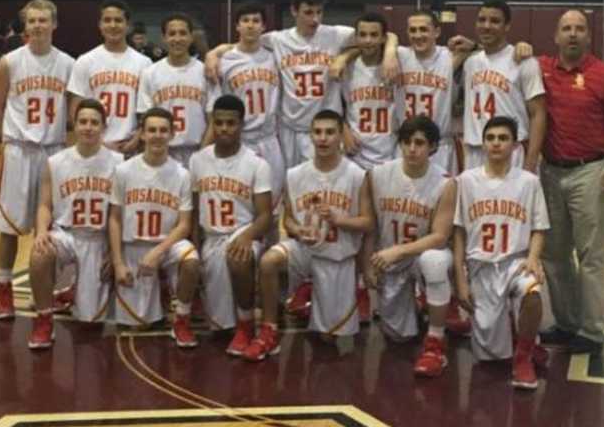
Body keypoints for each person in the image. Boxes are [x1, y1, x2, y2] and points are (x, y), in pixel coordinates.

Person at [207, 0, 399, 168]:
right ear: (294, 11)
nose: (315, 19)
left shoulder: (335, 34)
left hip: (324, 126)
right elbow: (244, 44)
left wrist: (383, 53)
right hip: (288, 129)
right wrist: (214, 53)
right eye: (308, 12)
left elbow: (382, 36)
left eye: (319, 12)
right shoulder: (278, 39)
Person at [243, 110, 372, 361]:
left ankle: (318, 303)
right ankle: (269, 330)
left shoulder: (357, 175)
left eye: (330, 132)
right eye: (318, 132)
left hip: (337, 254)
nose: (323, 138)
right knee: (269, 262)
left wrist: (339, 220)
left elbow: (368, 222)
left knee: (327, 342)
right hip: (305, 249)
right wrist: (297, 229)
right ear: (311, 136)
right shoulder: (295, 174)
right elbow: (288, 218)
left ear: (340, 137)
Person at [538, 9, 604, 354]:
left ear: (588, 36)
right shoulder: (540, 70)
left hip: (591, 171)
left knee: (590, 256)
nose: (572, 34)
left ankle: (591, 329)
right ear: (556, 37)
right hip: (551, 171)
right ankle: (566, 322)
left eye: (579, 29)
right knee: (554, 254)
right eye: (566, 28)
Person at [0, 0, 75, 319]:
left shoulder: (68, 64)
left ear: (54, 25)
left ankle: (48, 290)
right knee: (9, 226)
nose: (38, 26)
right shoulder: (9, 62)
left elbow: (76, 108)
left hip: (53, 152)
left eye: (43, 20)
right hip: (19, 151)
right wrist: (6, 139)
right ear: (25, 26)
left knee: (53, 228)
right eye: (32, 21)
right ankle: (4, 288)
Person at [453, 116, 550, 390]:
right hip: (480, 266)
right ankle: (518, 333)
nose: (496, 143)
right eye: (491, 138)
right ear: (483, 143)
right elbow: (458, 232)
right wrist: (460, 279)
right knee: (490, 358)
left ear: (515, 145)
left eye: (503, 138)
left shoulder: (529, 181)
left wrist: (533, 258)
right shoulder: (466, 181)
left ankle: (524, 356)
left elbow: (540, 228)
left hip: (515, 262)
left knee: (532, 291)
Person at [27, 99, 122, 349]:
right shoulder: (55, 162)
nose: (88, 127)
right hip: (66, 234)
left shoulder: (120, 163)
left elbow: (120, 215)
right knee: (40, 254)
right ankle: (44, 319)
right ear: (74, 125)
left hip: (99, 239)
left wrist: (115, 252)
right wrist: (40, 232)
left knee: (90, 323)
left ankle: (74, 291)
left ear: (104, 126)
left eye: (94, 122)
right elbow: (45, 205)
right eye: (83, 122)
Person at [365, 115, 456, 377]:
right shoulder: (378, 175)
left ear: (433, 147)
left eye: (419, 143)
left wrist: (399, 250)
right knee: (398, 337)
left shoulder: (445, 182)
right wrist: (366, 266)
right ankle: (417, 306)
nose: (412, 149)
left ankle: (435, 343)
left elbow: (440, 236)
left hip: (418, 257)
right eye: (406, 142)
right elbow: (370, 226)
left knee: (434, 262)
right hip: (389, 262)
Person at [109, 107, 200, 346]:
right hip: (133, 248)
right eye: (151, 130)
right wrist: (117, 263)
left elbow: (184, 225)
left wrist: (158, 251)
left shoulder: (182, 174)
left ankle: (181, 318)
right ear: (141, 134)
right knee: (138, 325)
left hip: (166, 246)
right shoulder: (123, 171)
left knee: (191, 260)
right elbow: (115, 219)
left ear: (172, 134)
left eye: (163, 130)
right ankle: (160, 287)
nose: (157, 135)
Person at [189, 95, 273, 355]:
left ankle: (246, 325)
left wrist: (247, 237)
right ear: (212, 123)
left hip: (244, 234)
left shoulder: (257, 164)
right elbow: (193, 211)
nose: (224, 128)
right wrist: (194, 246)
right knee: (218, 328)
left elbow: (265, 216)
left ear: (241, 124)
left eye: (231, 123)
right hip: (212, 237)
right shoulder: (197, 160)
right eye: (219, 123)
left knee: (237, 257)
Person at [206, 1, 284, 215]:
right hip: (241, 140)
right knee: (240, 201)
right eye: (245, 21)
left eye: (256, 21)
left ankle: (270, 247)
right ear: (237, 26)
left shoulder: (275, 56)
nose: (250, 25)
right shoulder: (225, 61)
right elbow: (215, 109)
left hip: (269, 139)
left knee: (272, 204)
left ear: (264, 27)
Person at [460, 1, 546, 172]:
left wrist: (531, 162)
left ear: (507, 26)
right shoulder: (470, 63)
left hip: (512, 152)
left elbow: (538, 114)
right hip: (475, 151)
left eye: (494, 21)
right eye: (482, 20)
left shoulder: (524, 61)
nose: (487, 26)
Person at [68, 0, 151, 154]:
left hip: (130, 147)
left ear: (128, 26)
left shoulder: (144, 63)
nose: (113, 25)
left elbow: (147, 111)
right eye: (107, 20)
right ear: (100, 25)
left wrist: (137, 139)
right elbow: (75, 110)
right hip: (95, 146)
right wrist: (98, 143)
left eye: (118, 20)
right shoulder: (85, 61)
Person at [396, 10, 468, 173]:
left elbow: (488, 52)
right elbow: (374, 40)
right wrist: (388, 52)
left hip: (440, 147)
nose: (418, 35)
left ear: (437, 32)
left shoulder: (451, 57)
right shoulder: (399, 55)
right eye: (413, 30)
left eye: (423, 29)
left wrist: (473, 46)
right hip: (407, 145)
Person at [137, 12, 209, 167]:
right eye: (172, 34)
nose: (177, 39)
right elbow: (145, 119)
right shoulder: (150, 73)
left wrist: (202, 155)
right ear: (164, 38)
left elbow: (213, 119)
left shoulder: (205, 72)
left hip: (197, 150)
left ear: (191, 37)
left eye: (183, 33)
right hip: (162, 151)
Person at [341, 12, 398, 169]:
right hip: (355, 153)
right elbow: (332, 106)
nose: (368, 40)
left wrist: (391, 50)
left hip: (390, 152)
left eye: (374, 35)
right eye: (363, 35)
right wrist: (343, 130)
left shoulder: (397, 64)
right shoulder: (346, 68)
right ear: (356, 38)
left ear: (383, 38)